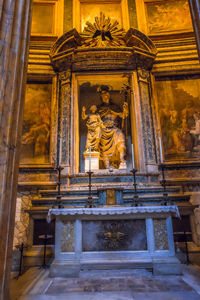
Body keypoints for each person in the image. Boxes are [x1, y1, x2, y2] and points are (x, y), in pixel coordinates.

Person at [97, 86, 129, 169]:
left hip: (114, 128)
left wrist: (125, 110)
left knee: (120, 135)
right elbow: (95, 118)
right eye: (103, 96)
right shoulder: (99, 108)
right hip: (104, 129)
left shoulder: (115, 107)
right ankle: (106, 164)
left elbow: (123, 116)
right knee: (101, 138)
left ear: (109, 96)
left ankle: (122, 159)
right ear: (101, 97)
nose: (105, 97)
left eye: (106, 95)